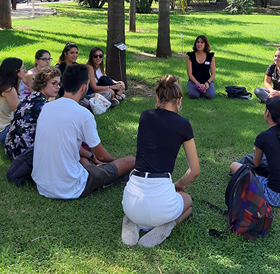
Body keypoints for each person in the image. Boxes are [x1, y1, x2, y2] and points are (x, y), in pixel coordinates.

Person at [32, 64, 135, 199]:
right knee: (131, 161)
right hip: (70, 187)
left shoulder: (47, 107)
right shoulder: (83, 114)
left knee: (86, 161)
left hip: (42, 184)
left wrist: (92, 157)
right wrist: (113, 162)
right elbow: (102, 156)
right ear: (83, 87)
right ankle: (111, 177)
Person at [122, 75, 200, 247]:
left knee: (136, 208)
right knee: (188, 202)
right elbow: (194, 171)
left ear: (158, 98)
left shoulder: (145, 116)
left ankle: (133, 220)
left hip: (132, 197)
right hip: (162, 200)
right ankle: (167, 225)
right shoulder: (183, 124)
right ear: (179, 100)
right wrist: (179, 183)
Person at [229, 97, 280, 207]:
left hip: (276, 196)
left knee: (234, 166)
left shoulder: (263, 137)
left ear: (267, 112)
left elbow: (256, 163)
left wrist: (256, 151)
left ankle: (257, 177)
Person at [5, 67, 61, 160]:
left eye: (59, 83)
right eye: (54, 83)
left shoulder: (28, 98)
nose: (58, 86)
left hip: (11, 147)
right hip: (25, 153)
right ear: (42, 84)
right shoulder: (43, 105)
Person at [0, 58, 26, 145]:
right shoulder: (9, 90)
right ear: (15, 71)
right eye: (23, 68)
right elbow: (19, 113)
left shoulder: (2, 85)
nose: (26, 71)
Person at [186, 35, 216, 99]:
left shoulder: (210, 56)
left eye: (202, 42)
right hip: (193, 82)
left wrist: (207, 83)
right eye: (198, 42)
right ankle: (198, 90)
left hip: (206, 81)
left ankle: (205, 90)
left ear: (205, 44)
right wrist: (198, 84)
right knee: (194, 95)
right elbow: (189, 74)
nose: (199, 44)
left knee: (209, 96)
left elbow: (213, 74)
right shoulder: (190, 56)